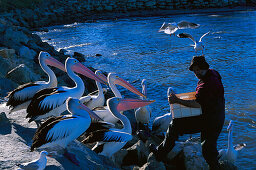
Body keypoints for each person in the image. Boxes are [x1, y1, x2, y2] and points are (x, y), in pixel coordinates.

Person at [149, 55, 225, 170]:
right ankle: (215, 166)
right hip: (217, 115)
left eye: (198, 69)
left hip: (209, 119)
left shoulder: (206, 85)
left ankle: (160, 154)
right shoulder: (213, 73)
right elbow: (206, 97)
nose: (196, 73)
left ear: (204, 67)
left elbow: (197, 104)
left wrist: (177, 100)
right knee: (208, 147)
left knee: (175, 125)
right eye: (194, 71)